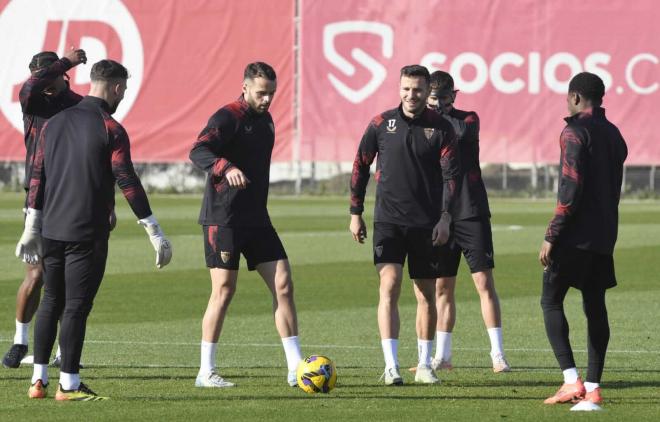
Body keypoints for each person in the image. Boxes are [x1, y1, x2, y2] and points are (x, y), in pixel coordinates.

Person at [16, 59, 172, 401]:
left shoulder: (53, 125)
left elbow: (38, 177)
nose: (123, 95)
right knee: (75, 307)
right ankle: (68, 384)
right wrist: (153, 229)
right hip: (86, 232)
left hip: (51, 230)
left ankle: (38, 381)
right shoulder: (110, 128)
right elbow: (127, 180)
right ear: (115, 87)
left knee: (51, 301)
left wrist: (31, 225)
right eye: (124, 89)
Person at [189, 62, 303, 388]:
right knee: (224, 290)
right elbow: (198, 150)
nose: (267, 100)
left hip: (256, 218)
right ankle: (205, 371)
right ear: (245, 88)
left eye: (271, 94)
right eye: (261, 93)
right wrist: (225, 167)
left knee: (283, 283)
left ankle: (296, 366)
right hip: (223, 219)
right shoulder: (227, 117)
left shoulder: (266, 121)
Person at [350, 65, 460, 385]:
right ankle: (391, 366)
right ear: (399, 89)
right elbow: (360, 164)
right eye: (406, 89)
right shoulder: (382, 123)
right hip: (388, 220)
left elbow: (452, 177)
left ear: (428, 92)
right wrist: (355, 212)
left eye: (418, 90)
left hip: (426, 225)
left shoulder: (441, 128)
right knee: (390, 284)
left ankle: (425, 365)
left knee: (426, 294)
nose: (411, 95)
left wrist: (445, 218)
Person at [539, 72, 627, 410]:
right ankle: (593, 387)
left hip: (574, 235)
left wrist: (552, 234)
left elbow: (570, 188)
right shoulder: (614, 133)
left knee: (550, 301)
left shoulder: (574, 131)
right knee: (595, 305)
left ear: (576, 97)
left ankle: (570, 379)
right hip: (604, 235)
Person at [417, 71, 510, 373]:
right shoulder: (423, 127)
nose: (439, 104)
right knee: (443, 287)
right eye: (434, 99)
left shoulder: (468, 120)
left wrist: (435, 117)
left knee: (484, 282)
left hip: (471, 211)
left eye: (444, 98)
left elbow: (457, 134)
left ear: (453, 96)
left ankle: (497, 354)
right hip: (440, 215)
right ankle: (442, 357)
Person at [3, 48, 88, 369]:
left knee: (69, 279)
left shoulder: (81, 106)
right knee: (36, 274)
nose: (45, 84)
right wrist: (66, 60)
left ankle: (64, 351)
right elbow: (29, 86)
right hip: (38, 199)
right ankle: (19, 340)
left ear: (63, 77)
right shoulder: (34, 102)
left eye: (51, 77)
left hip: (74, 199)